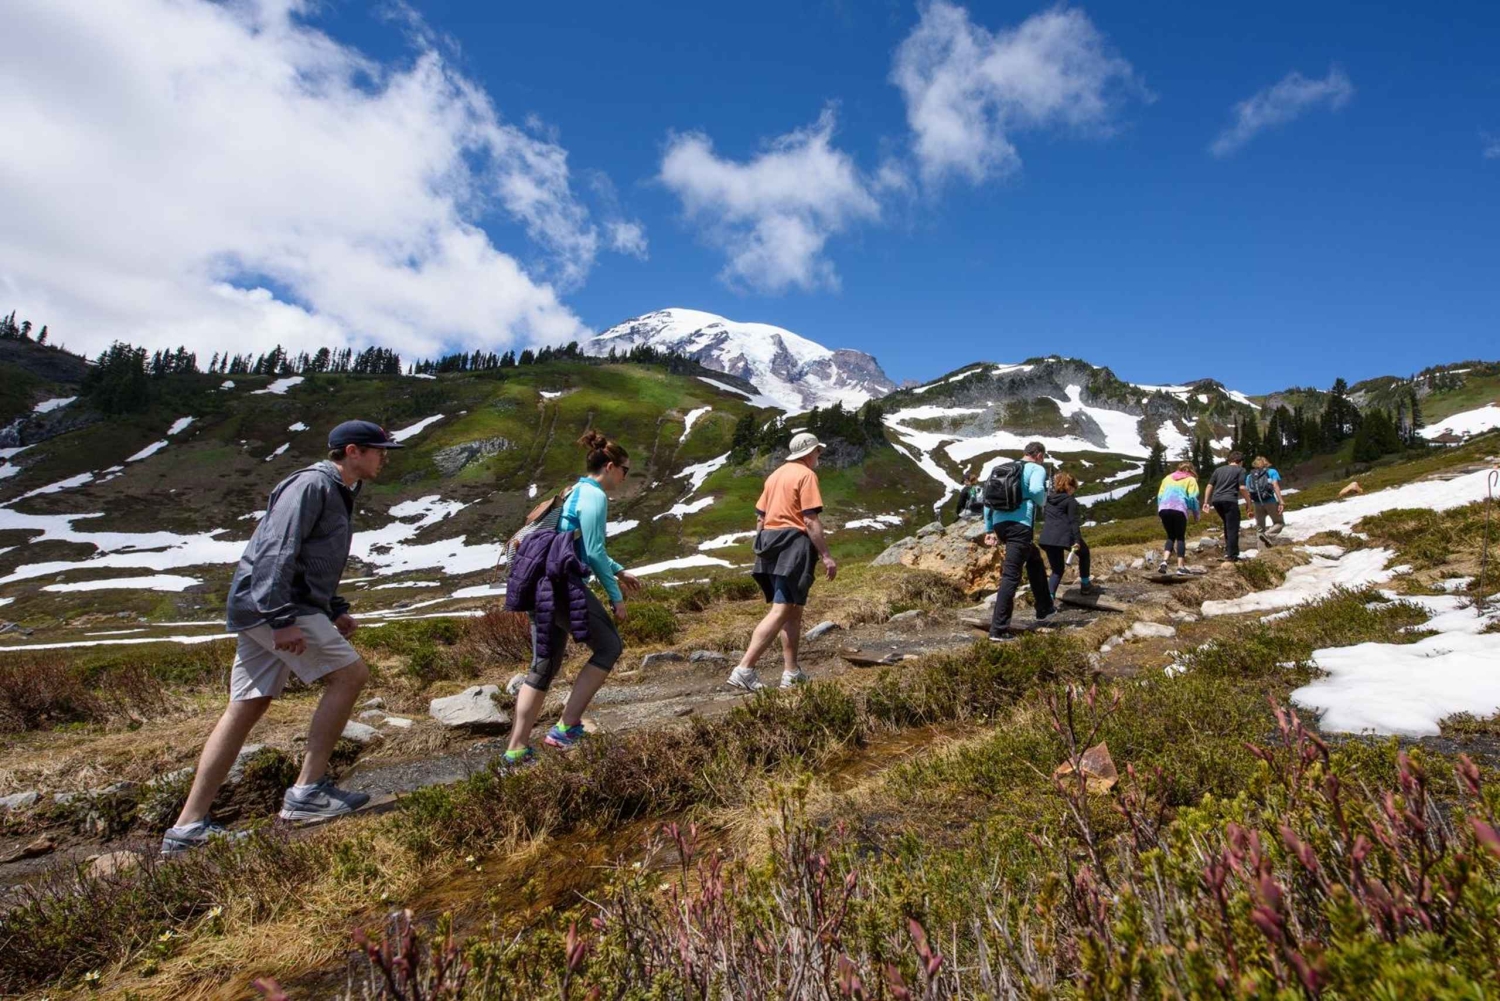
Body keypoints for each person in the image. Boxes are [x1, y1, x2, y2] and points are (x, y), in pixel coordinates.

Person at [162, 421, 400, 855]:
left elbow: (314, 557)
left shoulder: (339, 490)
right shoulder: (312, 486)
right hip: (273, 607)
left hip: (269, 606)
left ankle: (187, 827)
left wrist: (334, 608)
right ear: (352, 451)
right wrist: (280, 618)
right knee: (350, 676)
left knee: (247, 705)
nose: (385, 457)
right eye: (379, 450)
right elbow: (277, 548)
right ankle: (307, 793)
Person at [503, 431, 641, 766]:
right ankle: (566, 727)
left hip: (540, 582)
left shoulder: (573, 491)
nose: (625, 477)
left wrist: (619, 571)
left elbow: (573, 542)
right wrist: (615, 597)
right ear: (610, 466)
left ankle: (517, 749)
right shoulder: (594, 496)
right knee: (609, 647)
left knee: (544, 665)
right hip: (560, 584)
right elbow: (593, 550)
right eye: (625, 470)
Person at [727, 432, 838, 692]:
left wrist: (762, 543)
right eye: (817, 452)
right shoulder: (806, 475)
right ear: (809, 453)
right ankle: (745, 668)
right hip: (794, 544)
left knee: (792, 609)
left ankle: (791, 672)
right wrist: (826, 555)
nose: (818, 456)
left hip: (770, 542)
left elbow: (760, 518)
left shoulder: (775, 476)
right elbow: (809, 519)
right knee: (782, 608)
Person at [984, 442, 1055, 641]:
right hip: (1020, 526)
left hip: (1000, 525)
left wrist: (989, 529)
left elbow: (987, 500)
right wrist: (1043, 501)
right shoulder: (1036, 468)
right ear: (1039, 455)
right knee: (1011, 576)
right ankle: (998, 629)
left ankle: (1045, 608)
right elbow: (1035, 490)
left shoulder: (1003, 469)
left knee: (1034, 558)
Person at [1038, 472, 1094, 600]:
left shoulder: (1048, 500)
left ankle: (1047, 601)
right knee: (1084, 553)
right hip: (1065, 536)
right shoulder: (1070, 501)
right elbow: (1073, 522)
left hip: (1047, 538)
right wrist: (1077, 540)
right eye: (1074, 487)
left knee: (1057, 570)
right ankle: (1085, 585)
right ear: (1068, 486)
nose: (1074, 490)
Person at [1202, 451, 1253, 561]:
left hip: (1216, 500)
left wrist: (1206, 501)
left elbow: (1209, 485)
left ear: (1229, 460)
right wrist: (1249, 502)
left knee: (1227, 524)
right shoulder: (1240, 470)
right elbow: (1242, 488)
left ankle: (1228, 551)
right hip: (1229, 500)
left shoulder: (1218, 470)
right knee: (1233, 527)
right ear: (1240, 462)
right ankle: (1232, 555)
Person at [1155, 462, 1202, 574]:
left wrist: (1160, 513)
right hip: (1179, 508)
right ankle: (1180, 567)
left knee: (1170, 536)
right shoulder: (1191, 480)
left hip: (1164, 508)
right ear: (1191, 470)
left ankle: (1164, 561)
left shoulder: (1167, 478)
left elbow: (1160, 496)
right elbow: (1192, 497)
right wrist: (1196, 514)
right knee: (1180, 537)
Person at [1246, 456, 1286, 546]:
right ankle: (1268, 535)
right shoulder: (1271, 472)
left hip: (1257, 503)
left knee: (1260, 528)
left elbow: (1248, 493)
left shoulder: (1249, 476)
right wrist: (1281, 501)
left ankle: (1262, 551)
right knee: (1279, 523)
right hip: (1270, 501)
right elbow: (1275, 486)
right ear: (1266, 463)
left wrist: (1249, 508)